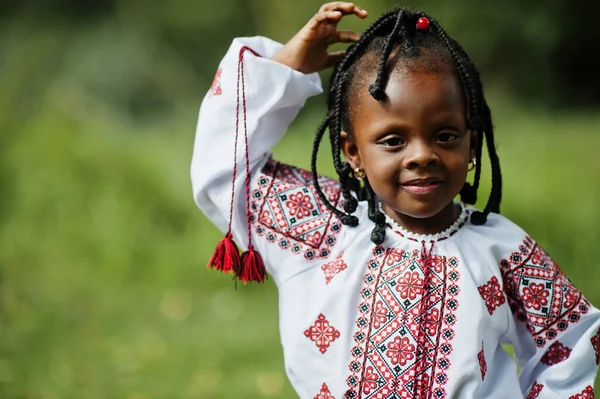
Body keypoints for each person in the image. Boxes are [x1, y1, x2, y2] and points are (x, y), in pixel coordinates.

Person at [191, 3, 600, 398]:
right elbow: (223, 167)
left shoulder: (505, 249)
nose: (422, 154)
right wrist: (283, 67)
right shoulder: (320, 223)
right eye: (392, 140)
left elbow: (568, 345)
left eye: (445, 135)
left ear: (472, 144)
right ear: (353, 153)